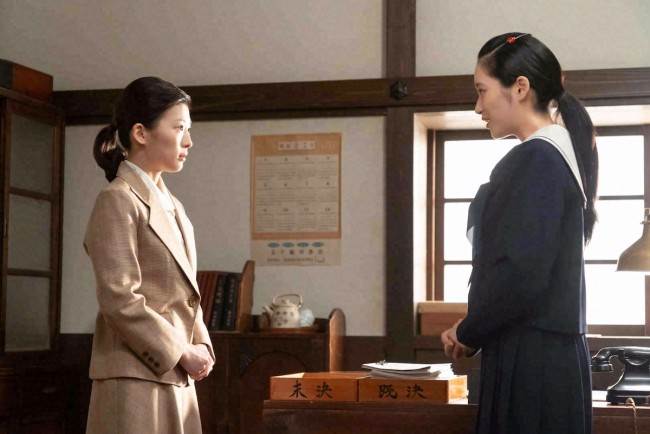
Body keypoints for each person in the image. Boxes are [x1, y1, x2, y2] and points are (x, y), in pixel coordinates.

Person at [441, 33, 598, 434]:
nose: (478, 107)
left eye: (482, 91)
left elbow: (521, 274)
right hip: (548, 359)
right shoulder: (554, 156)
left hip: (530, 364)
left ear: (520, 88)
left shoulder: (536, 159)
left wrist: (469, 330)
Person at [84, 77, 215, 434]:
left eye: (189, 129)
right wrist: (182, 351)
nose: (188, 141)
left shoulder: (175, 207)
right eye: (179, 128)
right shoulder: (117, 199)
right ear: (141, 133)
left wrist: (201, 344)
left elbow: (186, 294)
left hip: (178, 373)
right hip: (134, 377)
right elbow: (119, 298)